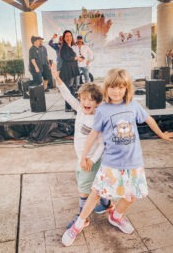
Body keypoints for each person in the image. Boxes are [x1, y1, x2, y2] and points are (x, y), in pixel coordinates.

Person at [62, 68, 173, 247]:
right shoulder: (103, 110)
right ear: (107, 88)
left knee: (131, 196)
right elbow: (93, 135)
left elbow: (149, 120)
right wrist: (84, 156)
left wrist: (161, 134)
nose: (117, 91)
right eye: (113, 87)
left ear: (127, 88)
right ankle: (79, 224)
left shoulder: (133, 105)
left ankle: (116, 217)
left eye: (121, 87)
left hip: (134, 162)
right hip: (111, 163)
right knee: (95, 194)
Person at [51, 64, 114, 229]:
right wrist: (57, 79)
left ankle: (82, 217)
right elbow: (67, 95)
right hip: (82, 157)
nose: (86, 102)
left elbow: (102, 143)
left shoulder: (98, 119)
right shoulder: (79, 109)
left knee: (84, 188)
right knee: (95, 184)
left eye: (91, 100)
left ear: (98, 103)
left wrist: (92, 160)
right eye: (84, 98)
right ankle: (107, 204)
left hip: (91, 160)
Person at [59, 30, 83, 112]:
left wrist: (78, 58)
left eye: (70, 36)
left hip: (73, 70)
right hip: (68, 71)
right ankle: (68, 107)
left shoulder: (70, 47)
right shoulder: (64, 47)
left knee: (73, 88)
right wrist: (76, 58)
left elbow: (72, 58)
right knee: (68, 89)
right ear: (64, 38)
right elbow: (66, 58)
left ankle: (72, 106)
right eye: (67, 36)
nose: (69, 38)